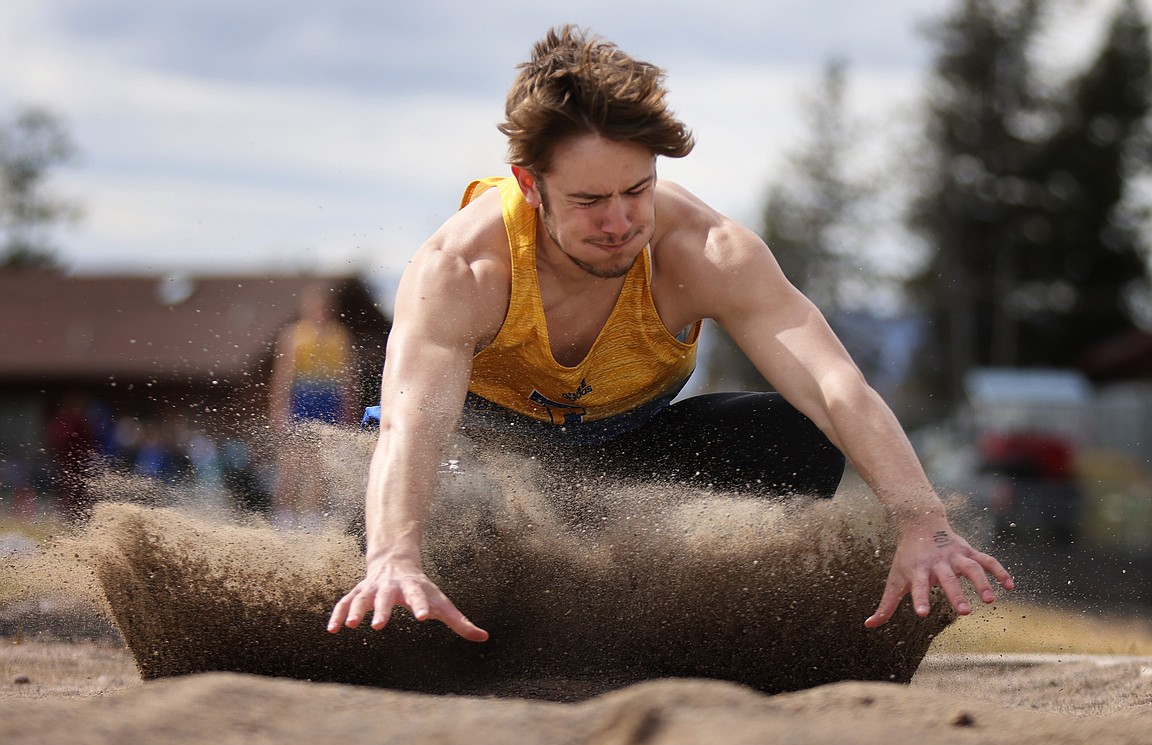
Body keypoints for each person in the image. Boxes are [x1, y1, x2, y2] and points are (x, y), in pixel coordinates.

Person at [328, 26, 1014, 641]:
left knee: (792, 436)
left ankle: (666, 618)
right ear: (529, 186)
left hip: (629, 462)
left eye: (637, 189)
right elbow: (411, 426)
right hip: (485, 460)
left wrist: (923, 523)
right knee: (398, 543)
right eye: (589, 201)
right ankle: (438, 597)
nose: (620, 222)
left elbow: (835, 386)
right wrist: (394, 556)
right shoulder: (463, 269)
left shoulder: (709, 251)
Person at [269, 282, 355, 525]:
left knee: (319, 466)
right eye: (314, 307)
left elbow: (348, 378)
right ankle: (283, 517)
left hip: (329, 402)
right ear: (305, 309)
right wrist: (279, 408)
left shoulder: (339, 336)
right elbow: (283, 376)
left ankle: (312, 518)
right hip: (301, 402)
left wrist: (348, 409)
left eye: (324, 308)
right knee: (292, 462)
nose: (319, 312)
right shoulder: (293, 335)